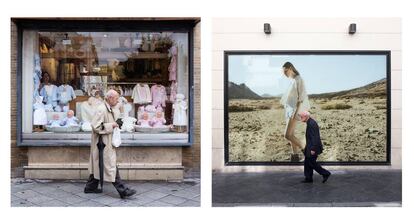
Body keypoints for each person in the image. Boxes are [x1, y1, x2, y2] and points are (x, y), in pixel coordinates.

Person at [84, 89, 136, 198]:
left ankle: (90, 187)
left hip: (105, 142)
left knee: (100, 164)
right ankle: (123, 190)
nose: (117, 101)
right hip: (102, 144)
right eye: (116, 98)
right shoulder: (101, 109)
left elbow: (111, 120)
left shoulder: (109, 108)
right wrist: (112, 125)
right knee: (110, 165)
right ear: (110, 98)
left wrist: (117, 123)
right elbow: (96, 126)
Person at [280, 62, 311, 162]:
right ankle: (295, 156)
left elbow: (301, 98)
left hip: (294, 110)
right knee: (291, 134)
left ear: (290, 68)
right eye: (283, 71)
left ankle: (306, 150)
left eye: (285, 71)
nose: (284, 73)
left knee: (287, 135)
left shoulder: (298, 79)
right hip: (289, 110)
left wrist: (295, 112)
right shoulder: (292, 80)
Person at [299, 111, 331, 183]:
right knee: (307, 162)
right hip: (310, 147)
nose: (300, 118)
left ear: (306, 116)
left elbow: (315, 138)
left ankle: (325, 173)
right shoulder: (310, 122)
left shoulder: (312, 124)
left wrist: (313, 149)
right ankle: (308, 178)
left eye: (301, 117)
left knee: (312, 163)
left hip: (313, 148)